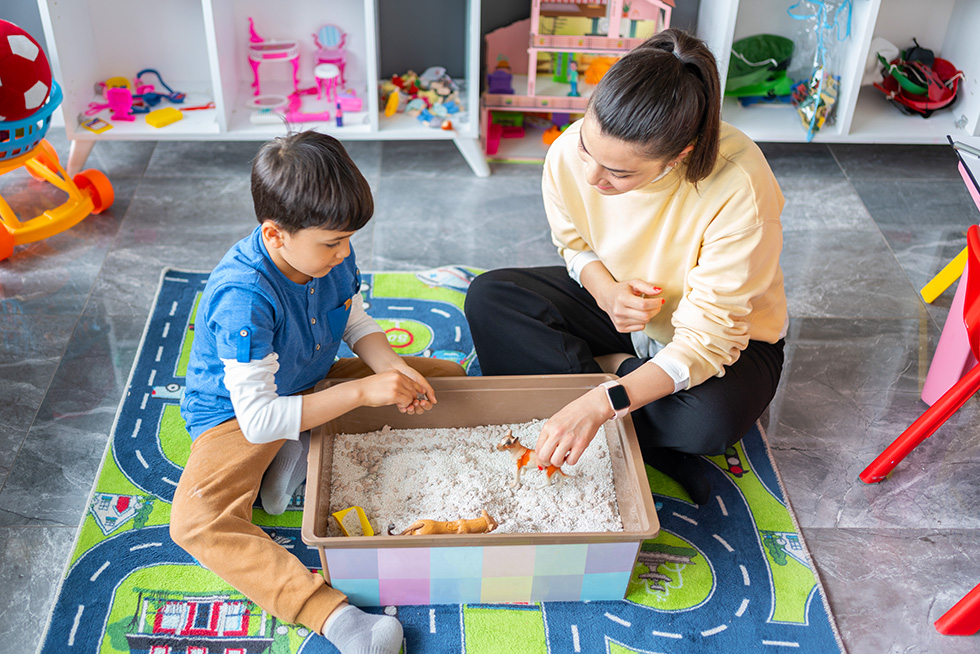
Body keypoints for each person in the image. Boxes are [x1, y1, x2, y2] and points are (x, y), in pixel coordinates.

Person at [464, 28, 787, 506]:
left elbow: (710, 340)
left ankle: (605, 390)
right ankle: (629, 402)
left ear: (679, 156)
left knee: (707, 421)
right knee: (491, 297)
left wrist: (604, 400)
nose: (593, 178)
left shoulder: (740, 187)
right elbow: (573, 245)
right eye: (587, 152)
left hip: (724, 342)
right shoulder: (571, 153)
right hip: (625, 315)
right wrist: (605, 292)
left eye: (619, 173)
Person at [172, 130, 464, 654]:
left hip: (310, 381)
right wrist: (361, 394)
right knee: (198, 523)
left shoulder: (329, 254)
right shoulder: (243, 298)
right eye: (332, 243)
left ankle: (297, 450)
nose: (345, 252)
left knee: (447, 379)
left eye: (349, 238)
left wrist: (392, 370)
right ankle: (335, 618)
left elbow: (354, 319)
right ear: (275, 234)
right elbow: (259, 419)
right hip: (236, 416)